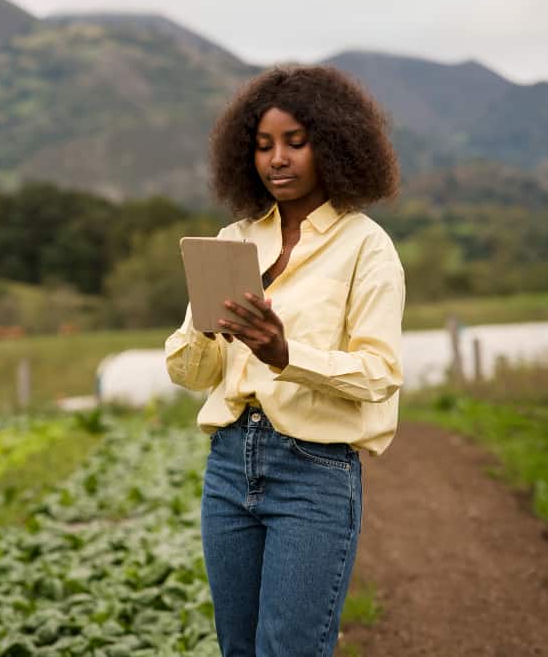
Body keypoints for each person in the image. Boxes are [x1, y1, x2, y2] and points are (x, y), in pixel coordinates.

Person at [164, 65, 405, 657]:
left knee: (289, 648)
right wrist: (204, 322)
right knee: (238, 648)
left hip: (313, 473)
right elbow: (191, 373)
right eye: (264, 145)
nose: (278, 159)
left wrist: (284, 354)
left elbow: (380, 375)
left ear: (335, 145)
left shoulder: (365, 246)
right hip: (228, 467)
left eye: (296, 143)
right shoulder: (234, 238)